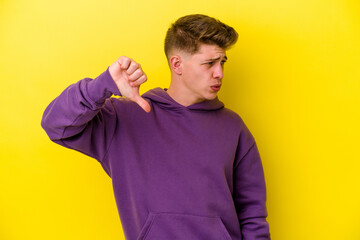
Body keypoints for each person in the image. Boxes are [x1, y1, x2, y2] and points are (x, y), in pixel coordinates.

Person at [41, 14, 270, 240]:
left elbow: (252, 215)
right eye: (209, 63)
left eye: (222, 63)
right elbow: (56, 125)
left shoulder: (233, 127)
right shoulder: (124, 118)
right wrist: (103, 84)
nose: (219, 73)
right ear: (177, 64)